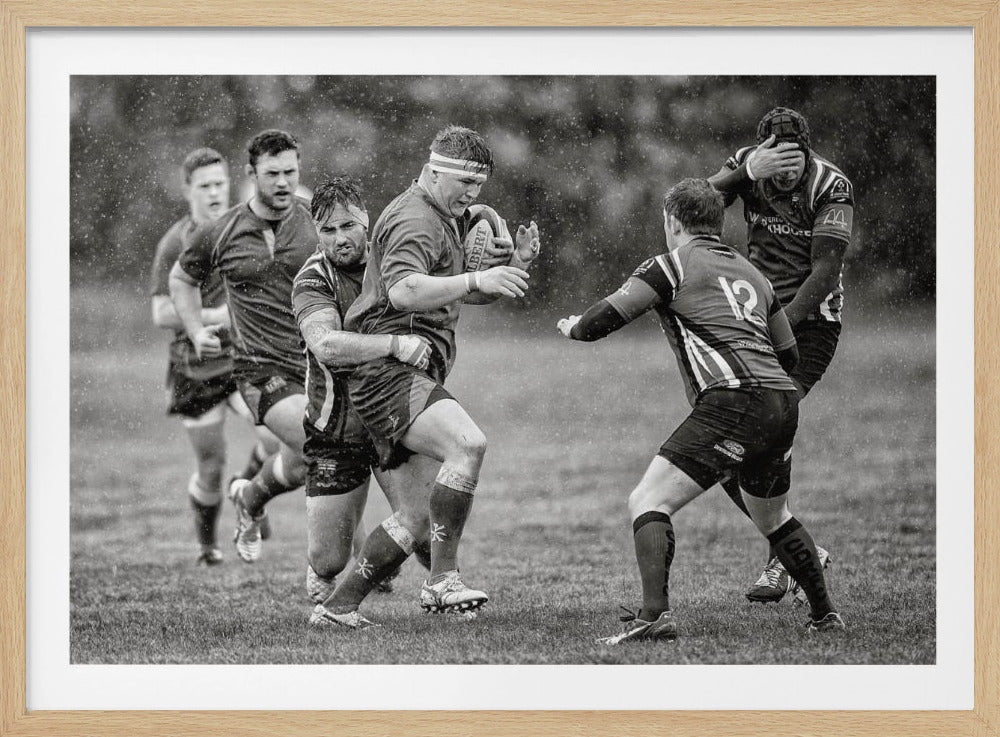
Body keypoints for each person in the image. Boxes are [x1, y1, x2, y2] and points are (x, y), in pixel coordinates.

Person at [557, 178, 844, 643]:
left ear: (672, 222)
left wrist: (574, 328)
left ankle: (655, 615)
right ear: (717, 223)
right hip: (782, 400)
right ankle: (824, 615)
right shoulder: (754, 274)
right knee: (774, 518)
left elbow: (601, 321)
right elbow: (788, 354)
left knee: (648, 501)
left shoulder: (669, 265)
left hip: (733, 399)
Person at [308, 125, 541, 629]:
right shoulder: (416, 218)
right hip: (387, 372)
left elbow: (451, 291)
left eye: (480, 187)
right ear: (437, 172)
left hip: (404, 372)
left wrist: (510, 268)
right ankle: (442, 581)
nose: (474, 197)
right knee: (468, 443)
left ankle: (337, 608)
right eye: (467, 185)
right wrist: (479, 277)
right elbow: (406, 292)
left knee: (415, 519)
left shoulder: (445, 215)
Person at [707, 107, 854, 603]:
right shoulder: (749, 166)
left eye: (795, 158)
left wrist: (777, 331)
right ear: (764, 151)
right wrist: (746, 173)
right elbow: (691, 209)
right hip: (759, 324)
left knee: (758, 435)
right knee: (721, 450)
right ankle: (794, 550)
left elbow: (825, 273)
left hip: (810, 329)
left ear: (808, 152)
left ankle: (787, 556)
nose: (787, 168)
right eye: (777, 158)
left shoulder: (831, 186)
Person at [169, 129, 319, 564]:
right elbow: (180, 281)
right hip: (251, 370)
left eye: (291, 172)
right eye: (272, 173)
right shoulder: (218, 231)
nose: (283, 182)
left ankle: (251, 497)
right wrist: (197, 328)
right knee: (328, 447)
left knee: (297, 462)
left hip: (316, 365)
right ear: (252, 175)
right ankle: (356, 562)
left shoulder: (316, 220)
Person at [291, 177, 435, 605]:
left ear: (366, 220)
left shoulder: (392, 260)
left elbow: (450, 281)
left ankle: (444, 589)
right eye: (328, 230)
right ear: (316, 233)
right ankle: (327, 567)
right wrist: (395, 345)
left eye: (348, 226)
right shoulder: (313, 279)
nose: (340, 239)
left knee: (425, 523)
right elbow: (327, 345)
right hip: (337, 431)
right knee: (330, 557)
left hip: (391, 414)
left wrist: (508, 264)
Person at [148, 147, 279, 566]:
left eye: (220, 183)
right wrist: (212, 316)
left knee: (276, 438)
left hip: (244, 360)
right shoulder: (175, 242)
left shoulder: (246, 228)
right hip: (196, 368)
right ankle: (208, 547)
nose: (214, 192)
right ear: (187, 190)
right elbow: (161, 311)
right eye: (204, 186)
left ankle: (248, 488)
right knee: (210, 465)